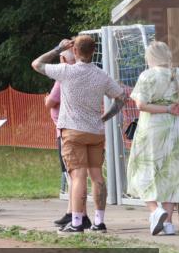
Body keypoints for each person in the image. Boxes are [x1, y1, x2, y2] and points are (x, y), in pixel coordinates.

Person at [32, 36, 126, 233]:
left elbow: (37, 64)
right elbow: (121, 97)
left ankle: (76, 222)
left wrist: (58, 48)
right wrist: (105, 117)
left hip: (73, 131)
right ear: (94, 51)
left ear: (74, 51)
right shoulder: (101, 75)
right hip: (95, 131)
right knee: (97, 175)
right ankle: (99, 222)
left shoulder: (66, 71)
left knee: (78, 177)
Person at [125, 41, 179, 236]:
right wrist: (171, 108)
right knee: (170, 172)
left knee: (144, 168)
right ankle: (169, 223)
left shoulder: (147, 75)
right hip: (174, 127)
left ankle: (155, 210)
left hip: (152, 128)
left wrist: (165, 108)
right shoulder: (177, 74)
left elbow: (141, 105)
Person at [45, 48, 82, 227]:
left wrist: (46, 99)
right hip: (79, 129)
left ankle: (75, 214)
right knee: (76, 175)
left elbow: (51, 101)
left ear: (63, 59)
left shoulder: (63, 78)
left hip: (65, 131)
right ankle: (72, 212)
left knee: (72, 175)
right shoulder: (82, 75)